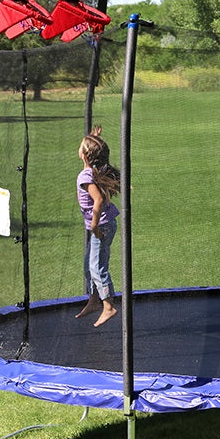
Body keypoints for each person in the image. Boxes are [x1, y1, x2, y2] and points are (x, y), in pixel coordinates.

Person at [75, 125, 121, 327]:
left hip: (101, 226)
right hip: (104, 224)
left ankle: (108, 306)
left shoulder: (86, 176)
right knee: (88, 267)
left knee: (97, 267)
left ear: (85, 155)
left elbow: (99, 200)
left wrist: (93, 226)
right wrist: (94, 138)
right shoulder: (95, 169)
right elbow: (96, 153)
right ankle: (94, 301)